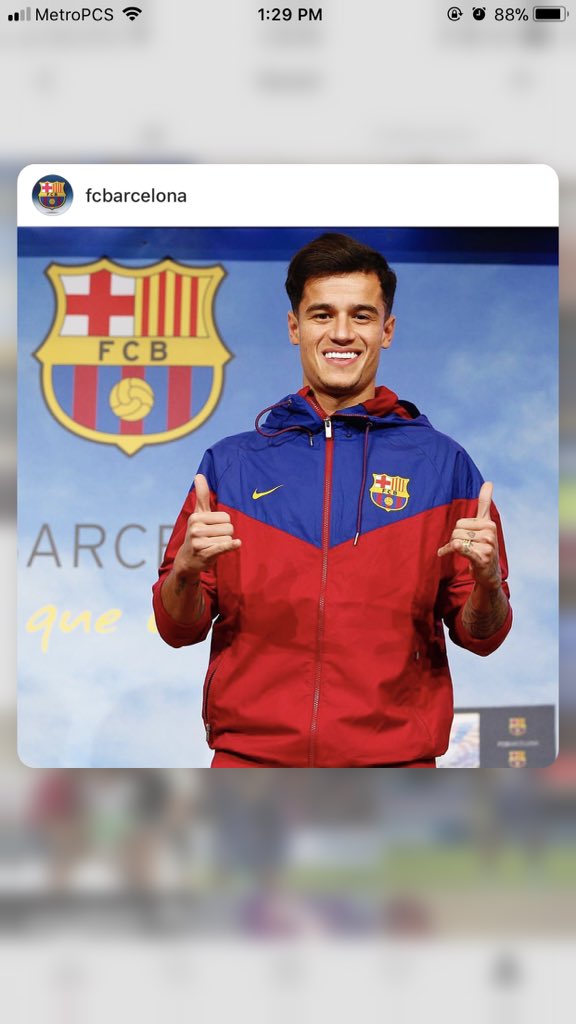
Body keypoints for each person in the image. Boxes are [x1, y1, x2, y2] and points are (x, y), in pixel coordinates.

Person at [153, 233, 512, 768]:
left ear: (386, 330)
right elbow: (177, 628)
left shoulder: (443, 465)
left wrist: (487, 585)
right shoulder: (231, 464)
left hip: (395, 770)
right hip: (250, 767)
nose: (342, 333)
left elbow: (482, 635)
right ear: (294, 327)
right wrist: (184, 572)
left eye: (361, 316)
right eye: (322, 315)